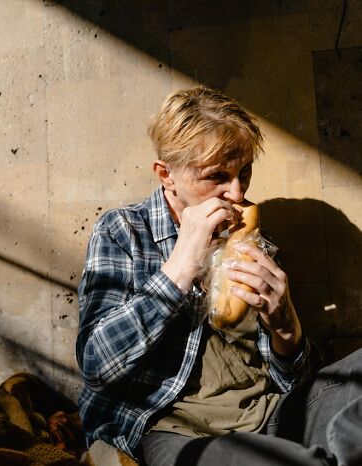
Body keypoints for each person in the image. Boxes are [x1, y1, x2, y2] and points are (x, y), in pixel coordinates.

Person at [75, 87, 362, 466]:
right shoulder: (123, 231)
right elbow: (97, 365)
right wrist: (181, 266)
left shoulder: (254, 236)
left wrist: (286, 328)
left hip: (274, 415)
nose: (238, 191)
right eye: (217, 176)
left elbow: (294, 379)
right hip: (175, 432)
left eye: (244, 171)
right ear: (167, 175)